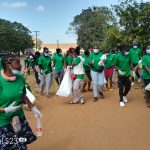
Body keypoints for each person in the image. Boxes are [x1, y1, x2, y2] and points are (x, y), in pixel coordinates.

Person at [0, 54, 42, 150]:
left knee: (22, 144)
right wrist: (6, 110)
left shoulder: (20, 79)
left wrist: (33, 108)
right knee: (7, 146)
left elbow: (24, 95)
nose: (21, 65)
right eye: (17, 63)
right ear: (8, 65)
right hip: (3, 122)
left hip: (18, 118)